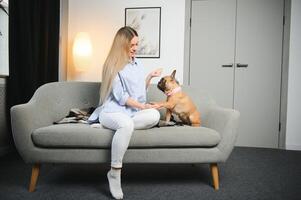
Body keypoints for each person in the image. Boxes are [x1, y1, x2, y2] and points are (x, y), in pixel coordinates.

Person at [88, 26, 162, 199]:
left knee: (155, 116)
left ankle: (115, 129)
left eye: (137, 44)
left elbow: (139, 96)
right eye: (132, 45)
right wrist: (142, 107)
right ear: (122, 45)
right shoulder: (112, 64)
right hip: (112, 112)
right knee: (127, 123)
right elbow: (121, 97)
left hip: (130, 112)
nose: (136, 48)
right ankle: (114, 172)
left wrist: (149, 77)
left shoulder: (137, 63)